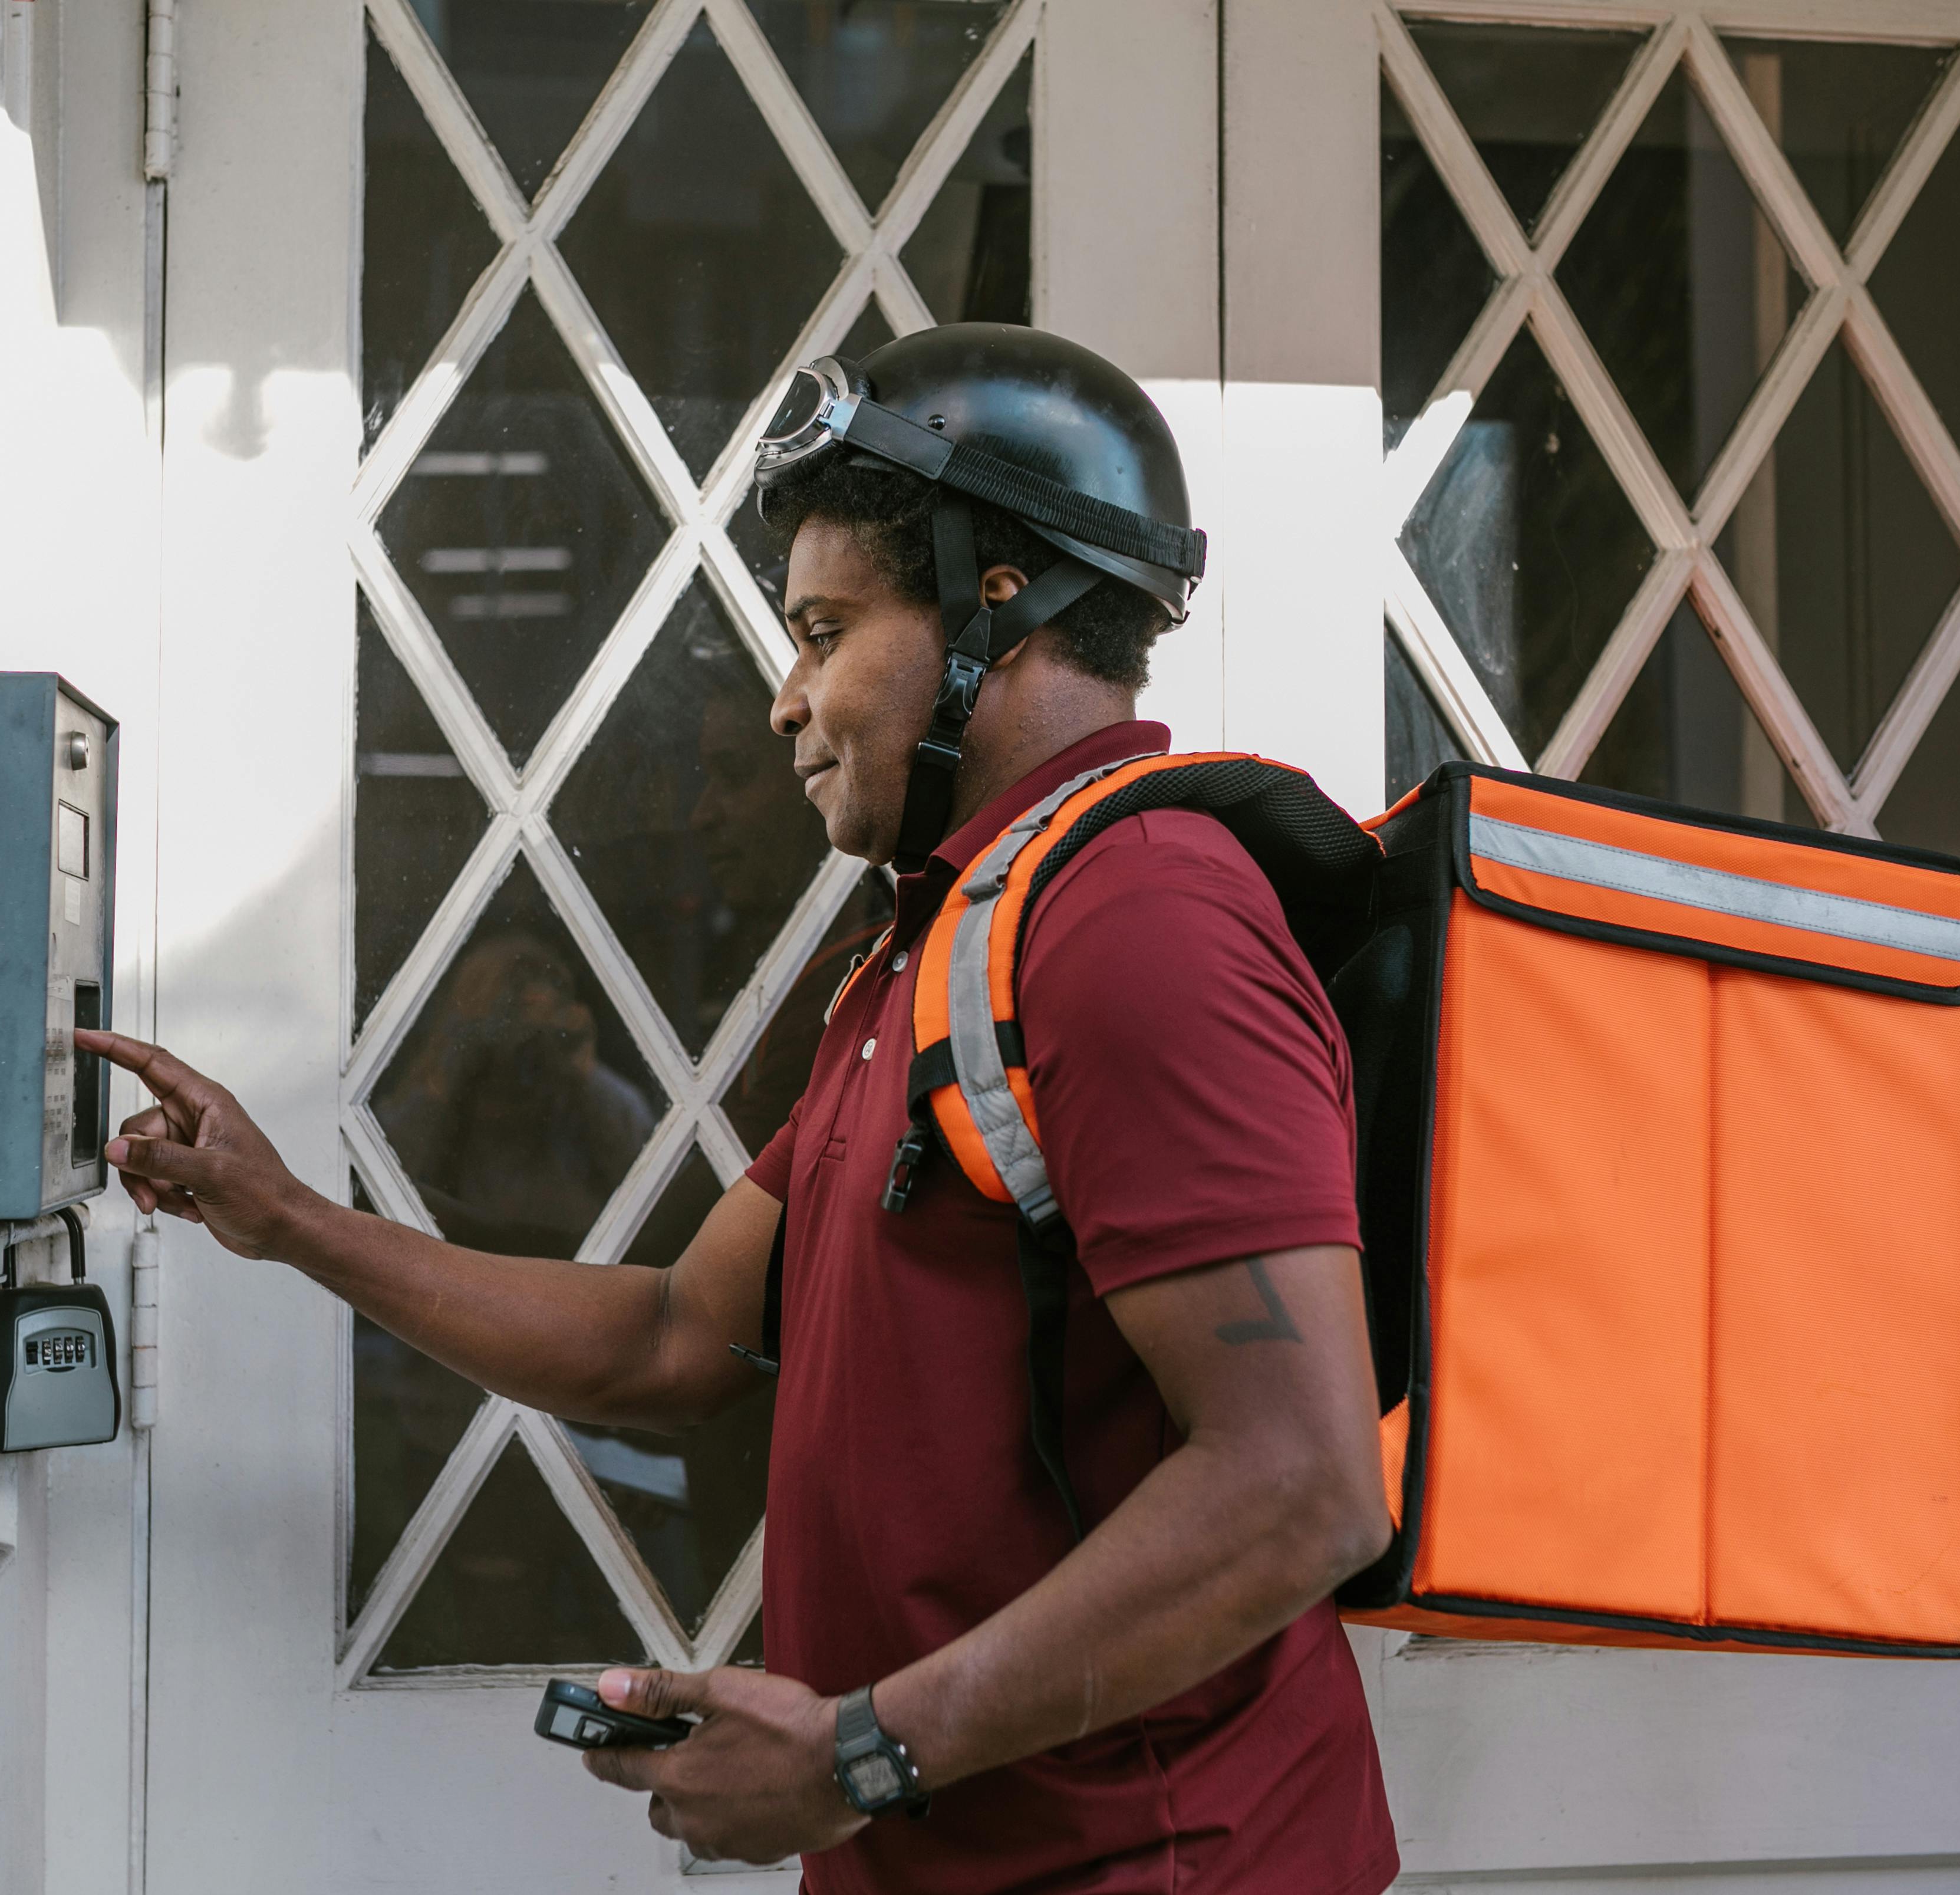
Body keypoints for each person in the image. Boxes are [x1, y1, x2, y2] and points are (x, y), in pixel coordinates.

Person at [80, 323, 1401, 1893]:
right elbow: (670, 1342)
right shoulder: (935, 946)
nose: (788, 699)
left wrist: (861, 1751)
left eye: (827, 629)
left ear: (1002, 603)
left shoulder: (1140, 917)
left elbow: (1298, 1484)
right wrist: (289, 1220)